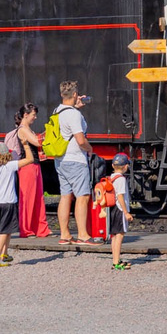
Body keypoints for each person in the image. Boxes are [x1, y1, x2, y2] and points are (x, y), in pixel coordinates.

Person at [48, 82, 93, 249]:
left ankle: (65, 234)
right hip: (75, 159)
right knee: (83, 196)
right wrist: (90, 149)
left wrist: (77, 108)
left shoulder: (57, 111)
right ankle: (83, 235)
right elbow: (80, 140)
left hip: (61, 160)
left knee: (66, 196)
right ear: (75, 94)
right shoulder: (73, 115)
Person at [8, 103, 49, 239]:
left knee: (38, 197)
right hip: (27, 166)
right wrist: (51, 131)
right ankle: (26, 229)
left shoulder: (28, 129)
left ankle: (40, 229)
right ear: (26, 115)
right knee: (28, 199)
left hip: (34, 165)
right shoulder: (23, 129)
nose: (35, 118)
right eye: (33, 115)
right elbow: (37, 142)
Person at [96, 154, 134, 270]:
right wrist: (126, 212)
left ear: (113, 165)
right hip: (119, 209)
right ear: (126, 166)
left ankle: (115, 260)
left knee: (114, 236)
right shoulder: (121, 179)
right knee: (120, 235)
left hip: (112, 209)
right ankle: (117, 262)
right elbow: (120, 196)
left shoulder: (111, 177)